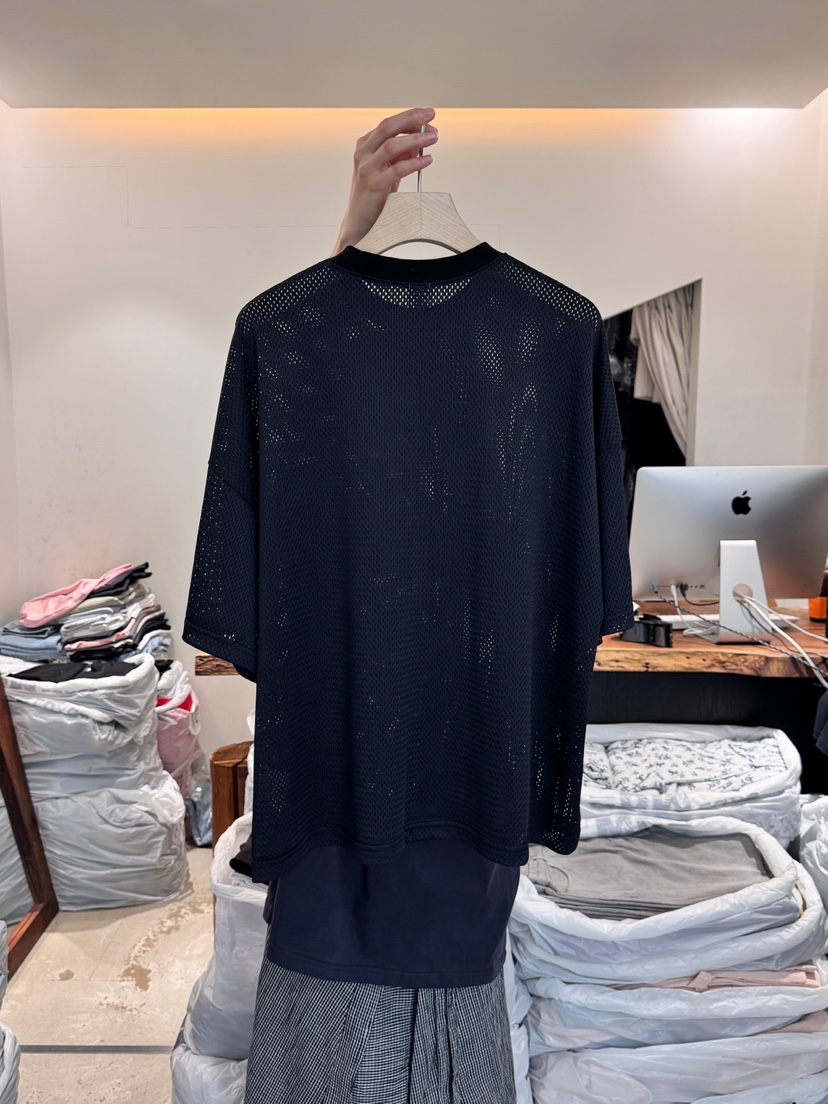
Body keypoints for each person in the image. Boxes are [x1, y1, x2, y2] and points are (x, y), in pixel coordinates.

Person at [241, 108, 521, 1104]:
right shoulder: (286, 335)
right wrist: (351, 237)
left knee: (446, 984)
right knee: (327, 1002)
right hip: (337, 768)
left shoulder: (543, 343)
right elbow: (306, 401)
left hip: (460, 777)